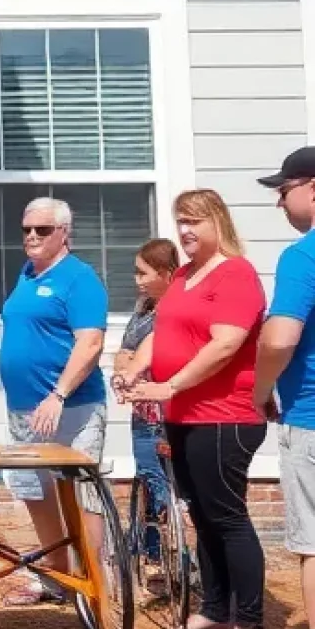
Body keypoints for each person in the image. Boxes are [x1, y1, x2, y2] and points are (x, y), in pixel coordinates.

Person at [122, 189, 268, 629]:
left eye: (194, 222)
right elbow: (162, 332)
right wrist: (137, 369)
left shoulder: (236, 274)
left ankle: (251, 622)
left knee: (227, 516)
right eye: (180, 222)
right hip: (184, 417)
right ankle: (216, 607)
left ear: (217, 222)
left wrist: (171, 385)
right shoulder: (183, 275)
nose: (185, 231)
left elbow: (226, 344)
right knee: (201, 515)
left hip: (225, 416)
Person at [0, 196, 109, 606]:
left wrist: (58, 393)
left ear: (64, 233)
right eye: (26, 229)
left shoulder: (79, 279)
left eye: (42, 230)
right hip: (25, 410)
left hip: (71, 408)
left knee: (82, 496)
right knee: (36, 492)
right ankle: (55, 577)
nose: (31, 236)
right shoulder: (27, 275)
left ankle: (94, 586)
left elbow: (91, 341)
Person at [251, 148, 315, 629]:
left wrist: (260, 388)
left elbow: (280, 337)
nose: (279, 200)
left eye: (284, 188)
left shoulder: (304, 255)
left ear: (313, 188)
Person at [112, 239, 180, 564]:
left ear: (166, 273)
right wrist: (123, 373)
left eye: (143, 273)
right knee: (147, 477)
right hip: (142, 409)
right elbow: (125, 354)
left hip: (165, 411)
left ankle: (178, 552)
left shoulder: (175, 311)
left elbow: (152, 352)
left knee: (158, 479)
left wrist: (133, 370)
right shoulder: (142, 311)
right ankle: (148, 550)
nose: (137, 280)